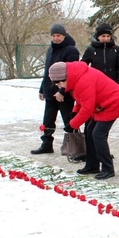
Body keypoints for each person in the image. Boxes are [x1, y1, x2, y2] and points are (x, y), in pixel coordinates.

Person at [48, 61, 119, 180]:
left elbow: (87, 108)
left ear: (66, 77)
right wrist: (75, 112)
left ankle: (108, 168)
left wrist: (72, 124)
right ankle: (92, 165)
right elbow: (81, 98)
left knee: (98, 134)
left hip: (113, 103)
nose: (59, 86)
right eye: (56, 84)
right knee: (89, 130)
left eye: (59, 82)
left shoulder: (83, 80)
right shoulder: (75, 78)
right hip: (101, 105)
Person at [31, 23, 79, 155]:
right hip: (49, 91)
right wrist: (42, 89)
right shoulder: (50, 49)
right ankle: (46, 144)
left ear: (64, 35)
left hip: (64, 93)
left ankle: (75, 146)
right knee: (48, 120)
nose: (55, 38)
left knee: (69, 121)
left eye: (58, 35)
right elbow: (47, 72)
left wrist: (62, 91)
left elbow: (71, 73)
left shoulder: (71, 50)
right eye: (53, 36)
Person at [81, 23, 119, 87]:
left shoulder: (116, 49)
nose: (106, 38)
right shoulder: (91, 49)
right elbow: (83, 65)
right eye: (103, 36)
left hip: (112, 84)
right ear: (98, 36)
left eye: (108, 36)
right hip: (96, 83)